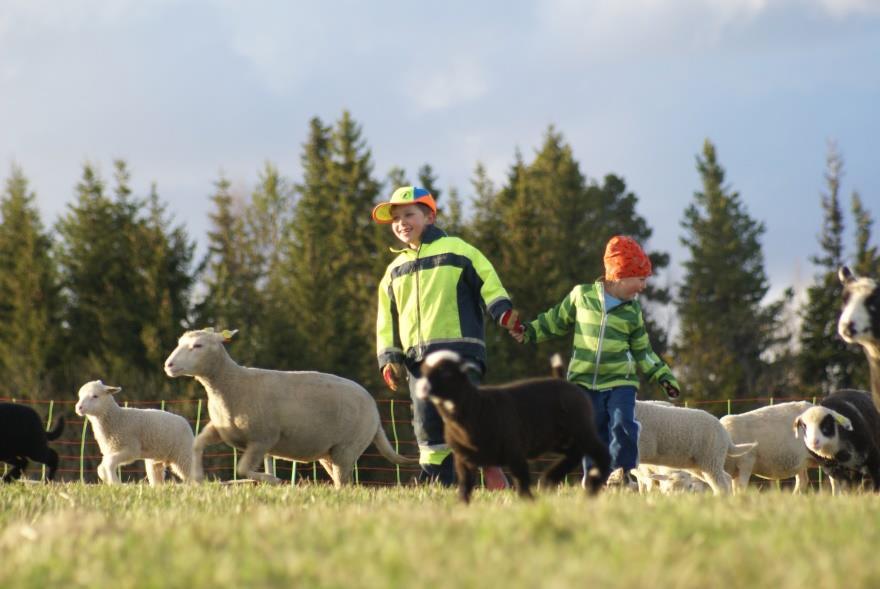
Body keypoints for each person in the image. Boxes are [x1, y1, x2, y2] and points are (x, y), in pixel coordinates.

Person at [373, 186, 523, 487]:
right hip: (418, 361)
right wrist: (389, 358)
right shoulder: (393, 271)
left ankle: (489, 460)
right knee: (426, 421)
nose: (402, 222)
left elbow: (488, 282)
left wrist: (503, 313)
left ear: (429, 216)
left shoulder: (458, 250)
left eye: (409, 214)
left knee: (463, 414)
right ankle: (437, 481)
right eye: (396, 218)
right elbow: (386, 320)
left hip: (461, 350)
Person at [509, 235, 680, 485]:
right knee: (592, 431)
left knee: (623, 423)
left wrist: (663, 376)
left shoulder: (632, 312)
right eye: (641, 279)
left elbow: (643, 350)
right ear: (621, 274)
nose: (644, 286)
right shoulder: (582, 296)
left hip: (621, 381)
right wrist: (529, 331)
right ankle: (595, 477)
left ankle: (623, 472)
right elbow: (555, 320)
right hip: (584, 382)